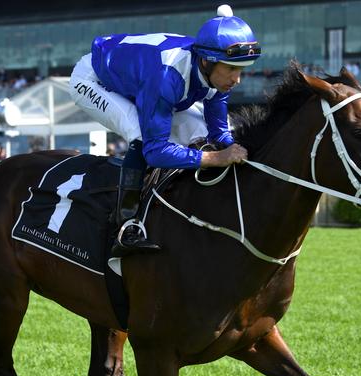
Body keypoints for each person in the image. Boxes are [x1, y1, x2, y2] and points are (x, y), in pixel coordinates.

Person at [69, 4, 260, 256]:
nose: (237, 79)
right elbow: (155, 152)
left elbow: (218, 133)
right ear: (206, 61)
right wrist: (216, 158)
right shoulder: (167, 77)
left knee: (199, 130)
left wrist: (240, 149)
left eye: (241, 70)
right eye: (231, 69)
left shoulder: (213, 73)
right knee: (140, 134)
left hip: (141, 81)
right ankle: (126, 224)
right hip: (93, 79)